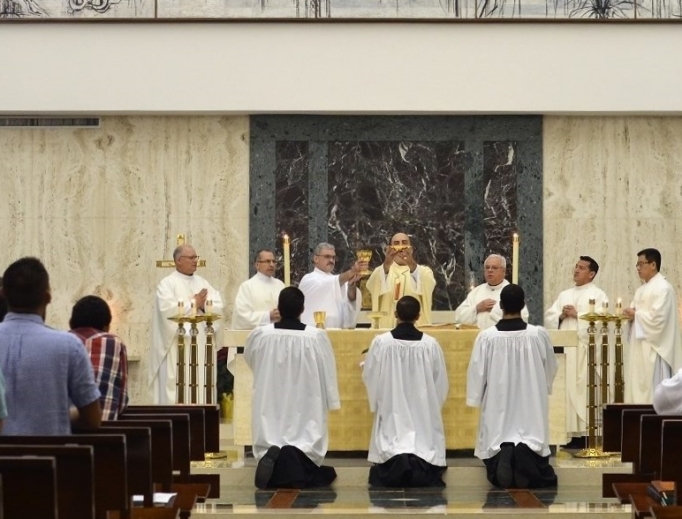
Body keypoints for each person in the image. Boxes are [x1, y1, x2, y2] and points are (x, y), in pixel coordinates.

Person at [245, 286, 340, 489]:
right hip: (305, 402)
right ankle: (298, 462)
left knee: (272, 428)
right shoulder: (316, 337)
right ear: (302, 308)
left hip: (271, 401)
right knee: (305, 442)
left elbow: (252, 360)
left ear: (278, 307)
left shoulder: (261, 335)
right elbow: (327, 371)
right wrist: (331, 399)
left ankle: (273, 457)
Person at [467, 284, 557, 489]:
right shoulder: (538, 335)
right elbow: (550, 366)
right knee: (531, 437)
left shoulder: (487, 337)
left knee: (497, 434)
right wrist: (544, 387)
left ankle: (503, 458)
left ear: (500, 306)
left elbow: (477, 372)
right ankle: (525, 460)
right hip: (531, 403)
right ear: (523, 305)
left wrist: (476, 397)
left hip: (498, 404)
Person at [0, 257, 101, 435]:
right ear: (48, 297)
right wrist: (54, 415)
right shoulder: (69, 346)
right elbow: (93, 419)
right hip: (51, 459)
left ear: (3, 293)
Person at [362, 296, 448, 487]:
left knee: (392, 435)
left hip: (392, 409)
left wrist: (377, 401)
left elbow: (371, 376)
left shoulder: (381, 343)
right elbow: (440, 382)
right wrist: (431, 406)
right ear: (418, 316)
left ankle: (395, 461)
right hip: (423, 413)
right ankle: (420, 462)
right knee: (423, 439)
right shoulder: (430, 345)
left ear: (395, 314)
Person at [544, 256, 607, 446]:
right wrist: (561, 315)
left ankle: (587, 435)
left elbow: (602, 321)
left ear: (591, 274)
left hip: (584, 353)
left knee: (584, 390)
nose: (576, 270)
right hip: (566, 353)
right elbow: (549, 317)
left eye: (581, 268)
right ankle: (566, 434)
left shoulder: (599, 295)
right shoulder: (565, 294)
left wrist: (578, 315)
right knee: (565, 391)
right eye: (576, 266)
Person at [150, 244, 224, 404]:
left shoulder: (203, 282)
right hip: (177, 347)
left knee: (201, 385)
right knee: (177, 387)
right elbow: (167, 311)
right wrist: (194, 303)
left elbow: (218, 306)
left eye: (196, 257)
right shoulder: (167, 284)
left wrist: (204, 305)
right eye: (191, 258)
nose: (195, 261)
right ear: (178, 260)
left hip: (201, 345)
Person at [623, 248, 682, 403]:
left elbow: (659, 319)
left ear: (653, 264)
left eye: (641, 264)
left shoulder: (664, 288)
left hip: (655, 349)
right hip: (639, 347)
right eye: (637, 264)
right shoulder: (640, 290)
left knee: (652, 390)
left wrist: (636, 315)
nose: (638, 268)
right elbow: (637, 315)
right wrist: (630, 316)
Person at [70, 295, 129, 421]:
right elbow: (122, 402)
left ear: (71, 324)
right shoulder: (114, 343)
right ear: (106, 327)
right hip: (104, 431)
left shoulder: (60, 342)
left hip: (63, 431)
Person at [366, 233, 436, 329]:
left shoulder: (424, 272)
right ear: (389, 249)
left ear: (411, 249)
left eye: (404, 243)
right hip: (387, 330)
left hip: (415, 330)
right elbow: (372, 284)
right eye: (396, 243)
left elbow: (429, 283)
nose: (401, 247)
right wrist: (386, 264)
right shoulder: (381, 271)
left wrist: (411, 263)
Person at [298, 242, 365, 329]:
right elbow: (329, 283)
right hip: (312, 334)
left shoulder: (336, 281)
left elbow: (351, 300)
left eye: (333, 257)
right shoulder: (308, 280)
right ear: (316, 258)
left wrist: (351, 285)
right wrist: (352, 271)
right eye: (327, 256)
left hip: (336, 333)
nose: (331, 260)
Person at [454, 254, 529, 329]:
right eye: (487, 267)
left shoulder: (513, 292)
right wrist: (477, 308)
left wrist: (496, 309)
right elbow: (459, 317)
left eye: (494, 268)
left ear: (503, 271)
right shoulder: (476, 292)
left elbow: (523, 319)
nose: (490, 270)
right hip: (478, 338)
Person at [231, 249, 285, 330]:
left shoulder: (280, 285)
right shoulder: (247, 286)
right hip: (257, 337)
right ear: (257, 265)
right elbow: (241, 317)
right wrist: (268, 316)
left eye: (274, 261)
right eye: (267, 261)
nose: (271, 265)